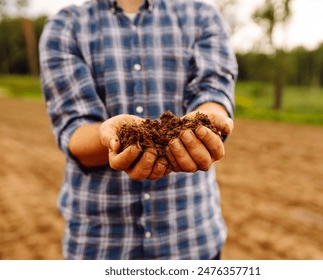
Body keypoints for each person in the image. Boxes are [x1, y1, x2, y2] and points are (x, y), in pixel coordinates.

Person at [39, 0, 238, 260]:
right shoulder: (65, 26)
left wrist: (206, 121)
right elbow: (75, 129)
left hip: (190, 239)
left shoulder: (202, 16)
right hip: (101, 244)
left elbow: (212, 90)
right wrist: (110, 138)